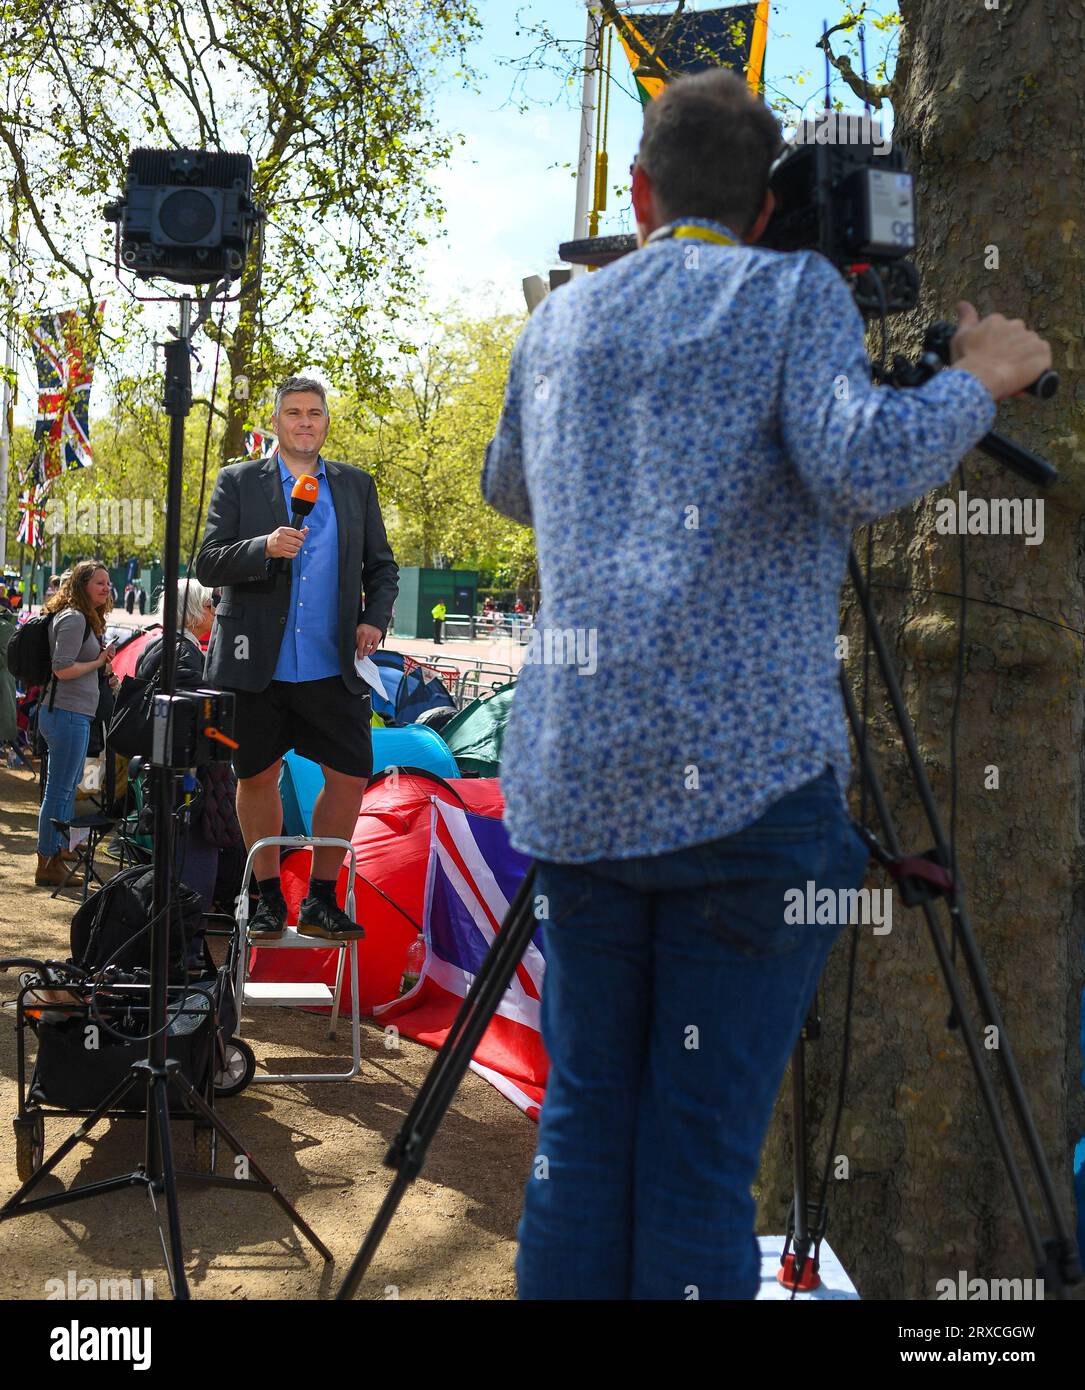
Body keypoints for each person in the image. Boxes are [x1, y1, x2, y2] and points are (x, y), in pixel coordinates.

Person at [482, 69, 1053, 1301]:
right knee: (694, 1164)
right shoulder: (792, 289)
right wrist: (977, 376)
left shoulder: (556, 321)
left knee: (580, 1139)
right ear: (765, 206)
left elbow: (509, 489)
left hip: (577, 787)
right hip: (747, 801)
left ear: (635, 192)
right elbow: (859, 464)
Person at [195, 374, 398, 942]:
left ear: (326, 422)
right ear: (276, 422)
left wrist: (373, 619)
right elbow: (208, 563)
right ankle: (263, 900)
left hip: (331, 665)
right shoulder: (238, 482)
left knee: (352, 774)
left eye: (314, 413)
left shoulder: (356, 486)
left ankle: (321, 899)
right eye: (293, 413)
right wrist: (264, 548)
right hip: (254, 664)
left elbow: (382, 568)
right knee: (256, 774)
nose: (304, 422)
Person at [135, 579, 242, 963]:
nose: (214, 613)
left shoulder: (158, 646)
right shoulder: (183, 652)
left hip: (168, 777)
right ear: (194, 610)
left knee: (178, 865)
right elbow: (186, 718)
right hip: (188, 783)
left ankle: (177, 947)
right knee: (193, 870)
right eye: (209, 606)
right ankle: (186, 952)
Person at [34, 561, 117, 885]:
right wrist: (98, 661)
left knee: (67, 790)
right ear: (82, 585)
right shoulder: (73, 618)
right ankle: (47, 861)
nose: (106, 588)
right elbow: (61, 668)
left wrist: (101, 664)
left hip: (74, 714)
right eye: (100, 582)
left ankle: (59, 849)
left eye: (108, 583)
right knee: (58, 791)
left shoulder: (84, 618)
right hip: (66, 715)